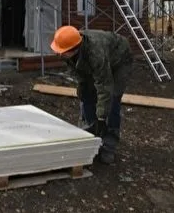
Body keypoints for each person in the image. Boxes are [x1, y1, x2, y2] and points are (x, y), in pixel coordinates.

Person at [50, 25, 133, 164]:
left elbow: (104, 86)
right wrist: (83, 89)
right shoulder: (66, 50)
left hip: (120, 61)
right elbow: (80, 74)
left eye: (62, 52)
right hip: (99, 60)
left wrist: (101, 117)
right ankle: (89, 137)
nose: (59, 54)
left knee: (112, 99)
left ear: (73, 50)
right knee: (87, 94)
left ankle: (108, 145)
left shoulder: (95, 53)